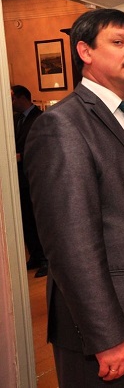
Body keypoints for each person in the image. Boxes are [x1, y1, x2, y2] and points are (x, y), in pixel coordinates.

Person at [24, 8, 124, 387]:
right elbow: (71, 245)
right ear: (85, 51)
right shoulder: (62, 126)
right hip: (110, 331)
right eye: (118, 42)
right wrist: (106, 336)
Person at [11, 85, 47, 278]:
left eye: (12, 98)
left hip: (34, 177)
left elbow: (42, 148)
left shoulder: (40, 118)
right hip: (19, 179)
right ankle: (35, 256)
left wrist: (21, 156)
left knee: (37, 220)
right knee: (26, 220)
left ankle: (46, 260)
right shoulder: (16, 119)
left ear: (22, 98)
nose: (10, 103)